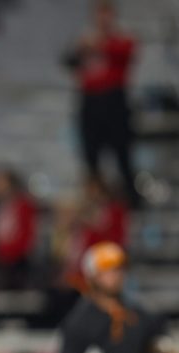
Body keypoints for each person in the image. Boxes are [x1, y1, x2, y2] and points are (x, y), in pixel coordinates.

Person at [64, 0, 139, 206]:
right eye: (99, 14)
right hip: (90, 102)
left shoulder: (120, 38)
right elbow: (68, 61)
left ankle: (132, 201)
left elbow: (127, 51)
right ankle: (94, 199)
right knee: (91, 158)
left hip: (114, 101)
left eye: (106, 14)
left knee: (123, 156)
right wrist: (82, 46)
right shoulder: (85, 40)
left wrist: (99, 43)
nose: (102, 19)